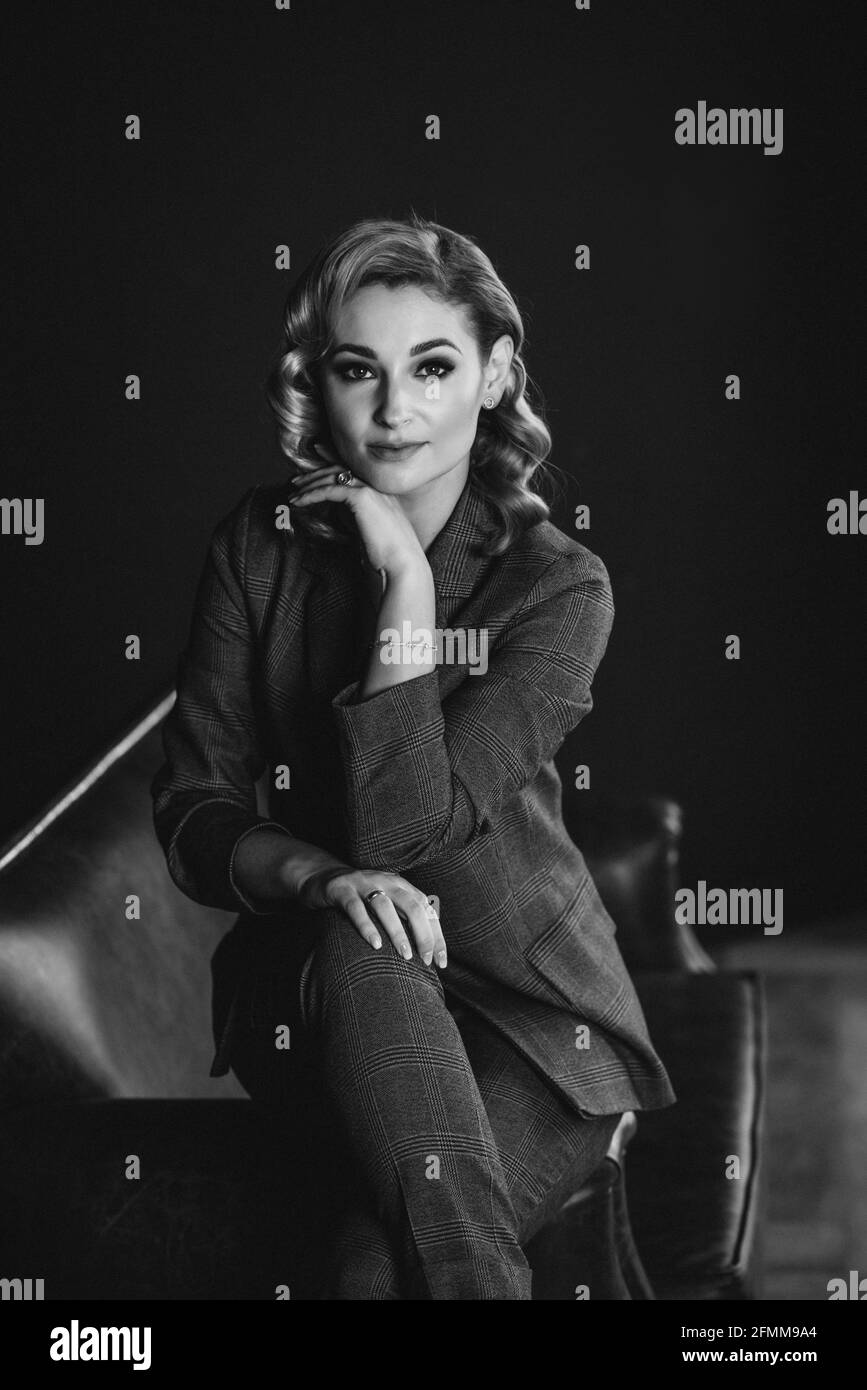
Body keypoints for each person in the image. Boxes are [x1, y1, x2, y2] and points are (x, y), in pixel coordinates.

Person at [150, 213, 676, 1300]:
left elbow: (408, 831)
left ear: (493, 377)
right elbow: (195, 809)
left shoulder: (560, 587)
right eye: (359, 370)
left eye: (433, 367)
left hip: (529, 1020)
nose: (394, 410)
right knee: (358, 938)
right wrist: (320, 876)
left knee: (365, 1274)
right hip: (314, 994)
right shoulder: (258, 546)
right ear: (318, 383)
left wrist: (405, 583)